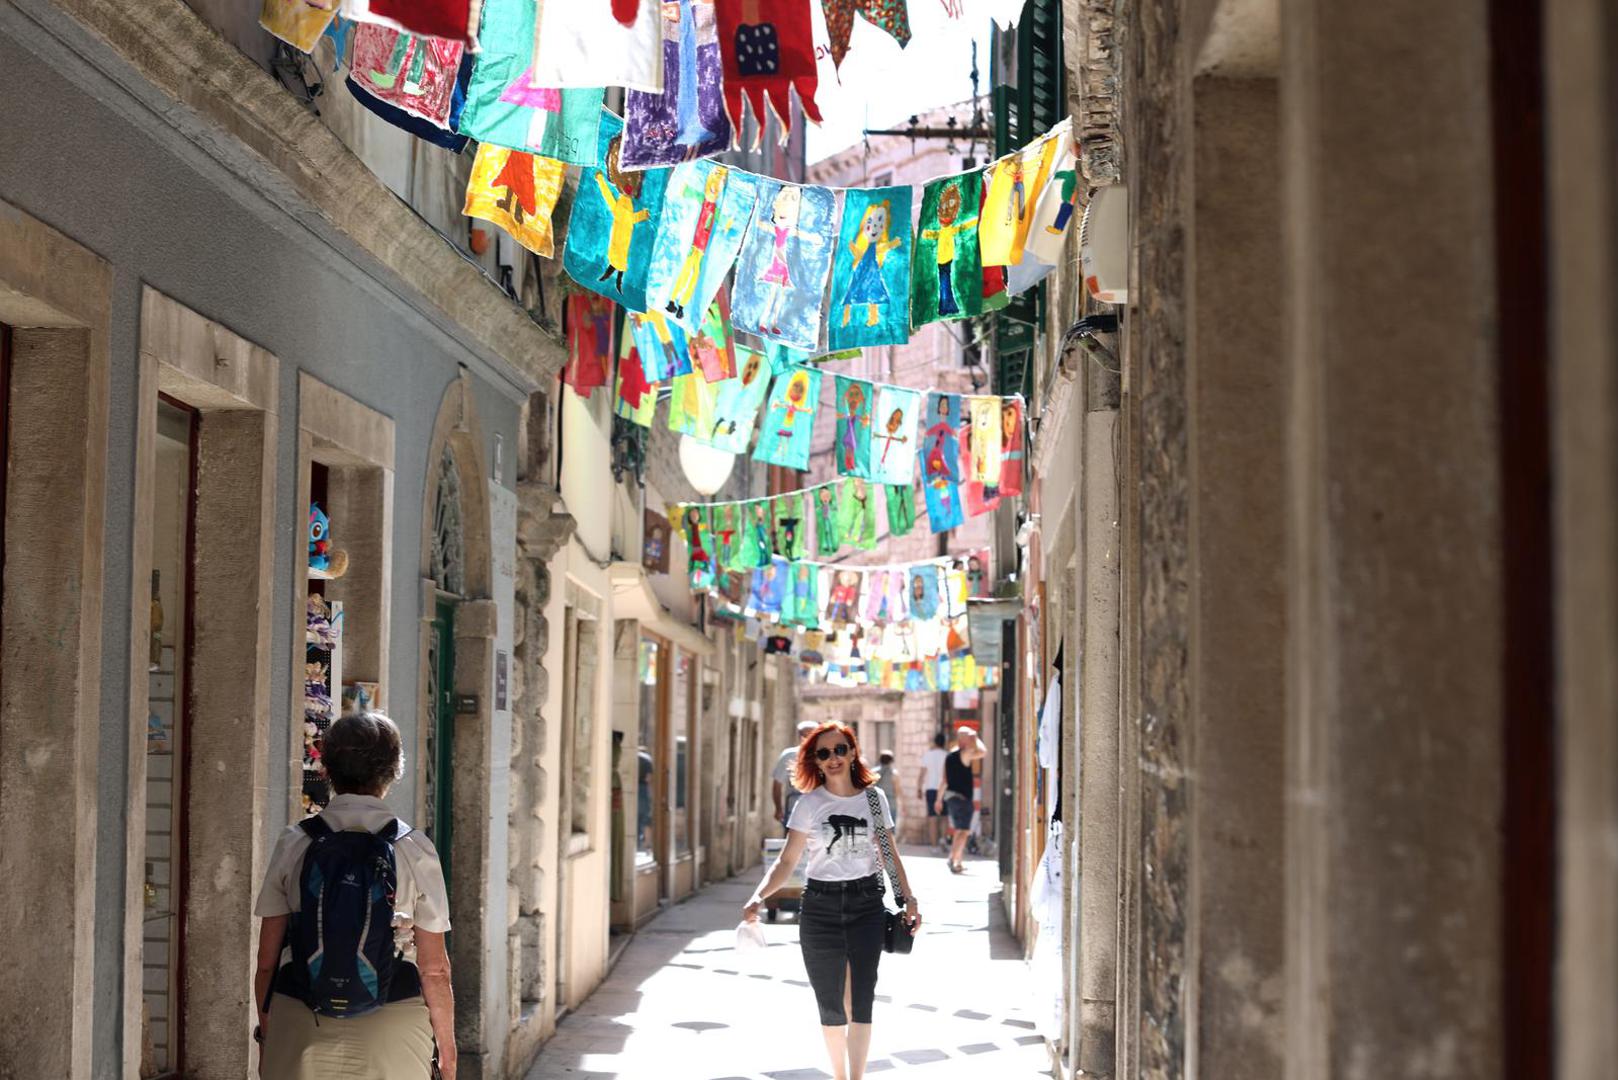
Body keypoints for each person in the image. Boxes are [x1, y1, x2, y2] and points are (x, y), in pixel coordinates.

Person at [253, 712, 456, 1079]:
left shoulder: (294, 842)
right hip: (392, 1023)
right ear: (394, 771)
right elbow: (434, 969)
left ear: (326, 768)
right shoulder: (414, 848)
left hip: (300, 1016)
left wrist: (270, 1033)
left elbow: (267, 961)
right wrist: (447, 1052)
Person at [745, 722, 921, 1080]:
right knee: (830, 1003)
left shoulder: (874, 799)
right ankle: (839, 1076)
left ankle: (855, 1078)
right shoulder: (809, 805)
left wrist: (909, 899)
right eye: (824, 753)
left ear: (853, 752)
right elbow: (787, 862)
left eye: (840, 749)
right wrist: (758, 896)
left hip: (866, 905)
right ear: (816, 761)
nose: (834, 758)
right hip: (820, 909)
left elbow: (889, 855)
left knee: (859, 1000)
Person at [935, 725, 986, 874]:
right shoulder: (965, 754)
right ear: (964, 740)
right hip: (962, 799)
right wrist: (976, 738)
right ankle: (952, 859)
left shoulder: (949, 756)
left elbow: (944, 780)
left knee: (959, 830)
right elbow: (983, 752)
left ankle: (959, 861)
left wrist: (939, 799)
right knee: (964, 831)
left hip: (950, 797)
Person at [773, 719, 819, 831]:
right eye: (804, 735)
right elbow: (777, 784)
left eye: (812, 735)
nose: (808, 739)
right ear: (799, 736)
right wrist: (778, 808)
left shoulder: (825, 754)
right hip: (794, 808)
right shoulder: (789, 755)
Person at [917, 732, 948, 848]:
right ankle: (943, 840)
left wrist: (919, 789)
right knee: (945, 816)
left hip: (930, 788)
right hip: (944, 788)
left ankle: (934, 846)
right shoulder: (947, 755)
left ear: (935, 742)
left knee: (932, 818)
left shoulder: (927, 755)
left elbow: (922, 774)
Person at [874, 750, 900, 832]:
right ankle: (890, 844)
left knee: (878, 828)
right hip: (890, 802)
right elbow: (896, 790)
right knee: (890, 828)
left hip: (876, 802)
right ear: (891, 761)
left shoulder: (873, 772)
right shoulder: (894, 773)